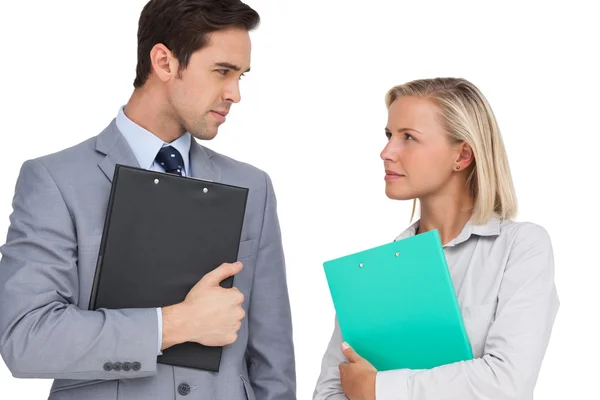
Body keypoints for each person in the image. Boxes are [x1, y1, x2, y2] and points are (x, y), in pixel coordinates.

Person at [0, 1, 296, 399]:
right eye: (222, 72)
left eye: (241, 75)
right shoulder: (55, 180)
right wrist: (172, 325)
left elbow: (272, 360)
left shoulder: (253, 185)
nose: (235, 94)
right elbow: (26, 339)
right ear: (164, 62)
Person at [313, 77, 559, 400]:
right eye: (389, 135)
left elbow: (506, 383)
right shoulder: (373, 273)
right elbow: (330, 391)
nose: (386, 152)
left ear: (463, 155)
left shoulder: (522, 248)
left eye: (409, 138)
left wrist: (378, 389)